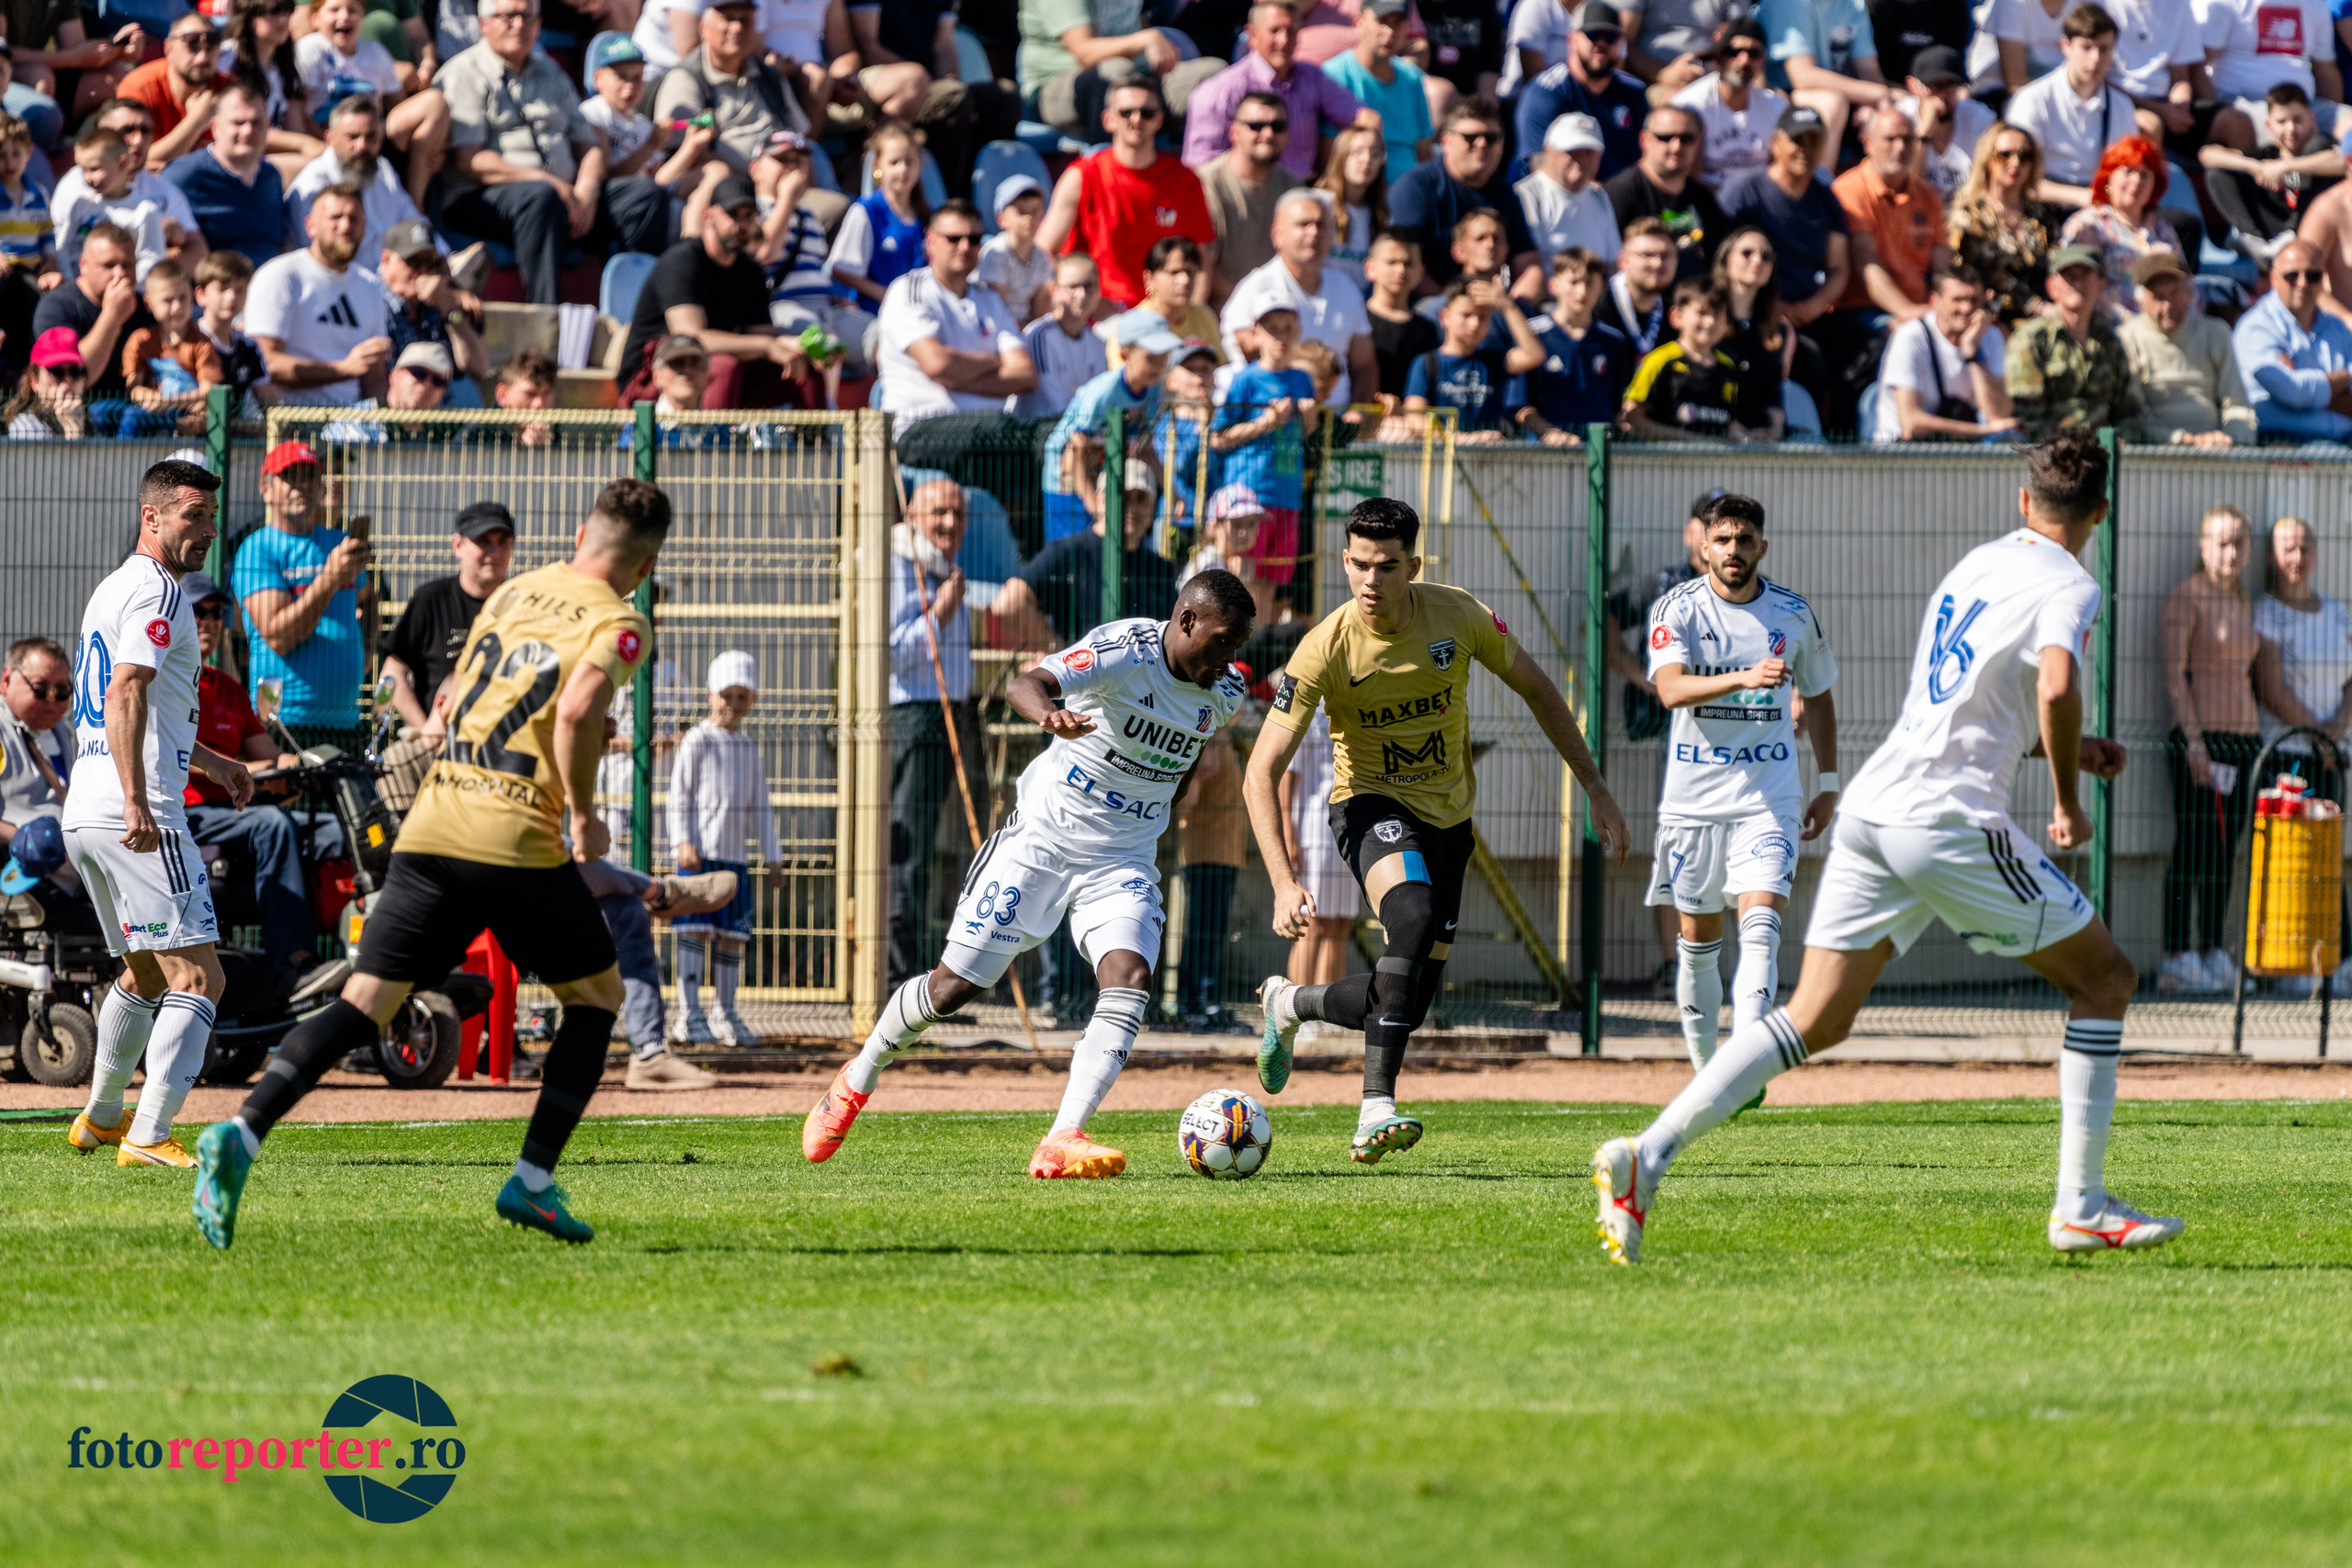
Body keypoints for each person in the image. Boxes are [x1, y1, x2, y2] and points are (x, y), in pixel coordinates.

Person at [1593, 434, 2179, 1265]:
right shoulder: (2074, 585)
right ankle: (2080, 1206)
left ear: (2023, 502)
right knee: (2107, 979)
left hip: (1877, 806)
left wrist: (2070, 748)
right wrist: (2066, 801)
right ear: (2103, 514)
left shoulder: (1978, 565)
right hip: (1950, 819)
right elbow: (2054, 684)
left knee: (1816, 1018)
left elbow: (1975, 704)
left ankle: (1645, 1156)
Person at [193, 479, 672, 1249]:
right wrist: (584, 816)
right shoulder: (621, 621)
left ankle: (241, 1132)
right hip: (513, 833)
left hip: (434, 817)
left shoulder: (514, 592)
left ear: (582, 534)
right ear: (645, 566)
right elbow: (578, 710)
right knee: (597, 996)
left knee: (365, 999)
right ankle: (533, 1181)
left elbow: (453, 701)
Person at [806, 570, 1256, 1177]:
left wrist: (1157, 817)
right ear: (1187, 621)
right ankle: (858, 1077)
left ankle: (1063, 1134)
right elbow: (1028, 682)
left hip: (1121, 860)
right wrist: (1050, 717)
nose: (1229, 659)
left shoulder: (1223, 691)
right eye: (1223, 641)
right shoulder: (1125, 651)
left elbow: (1189, 752)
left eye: (1238, 646)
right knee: (952, 988)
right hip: (1041, 841)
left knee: (1130, 976)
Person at [1249, 496, 1627, 1162]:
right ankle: (1375, 1108)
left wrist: (1596, 788)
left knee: (1409, 1000)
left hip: (1449, 821)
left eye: (1387, 566)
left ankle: (1291, 1003)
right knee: (1414, 916)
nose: (1371, 580)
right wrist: (1283, 881)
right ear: (1344, 561)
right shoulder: (1323, 648)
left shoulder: (1460, 616)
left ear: (1414, 566)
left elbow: (1540, 691)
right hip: (1368, 806)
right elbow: (1261, 771)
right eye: (1359, 565)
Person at [62, 460, 251, 1171]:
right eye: (192, 514)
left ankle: (103, 1116)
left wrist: (215, 762)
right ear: (153, 516)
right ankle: (149, 1133)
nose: (207, 529)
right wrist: (139, 797)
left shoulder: (113, 585)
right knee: (200, 979)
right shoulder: (159, 588)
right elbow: (125, 692)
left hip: (87, 811)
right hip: (138, 814)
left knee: (144, 972)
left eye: (211, 516)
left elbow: (149, 706)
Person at [1641, 491, 1837, 1070]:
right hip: (1693, 803)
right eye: (1722, 539)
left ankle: (1743, 1065)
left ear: (1762, 547)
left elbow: (1820, 697)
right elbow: (1670, 689)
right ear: (1704, 547)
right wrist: (1743, 678)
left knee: (1761, 926)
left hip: (1767, 797)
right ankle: (1707, 1069)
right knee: (1699, 945)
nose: (1733, 550)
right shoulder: (1675, 608)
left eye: (1744, 540)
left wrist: (1829, 782)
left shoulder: (1792, 614)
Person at [436, 0, 668, 304]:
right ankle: (547, 315)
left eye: (527, 16)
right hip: (484, 198)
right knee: (541, 198)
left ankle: (639, 306)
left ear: (539, 25)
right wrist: (550, 183)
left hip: (564, 200)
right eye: (509, 16)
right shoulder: (464, 72)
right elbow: (471, 160)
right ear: (484, 24)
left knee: (644, 195)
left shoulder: (551, 72)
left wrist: (586, 191)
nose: (519, 24)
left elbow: (588, 144)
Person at [177, 569, 320, 988]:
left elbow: (272, 757)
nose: (209, 620)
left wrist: (297, 766)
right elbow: (170, 753)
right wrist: (258, 771)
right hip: (188, 813)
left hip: (234, 807)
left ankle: (366, 959)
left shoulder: (228, 688)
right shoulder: (166, 682)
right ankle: (293, 964)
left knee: (333, 831)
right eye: (198, 610)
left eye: (217, 612)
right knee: (273, 824)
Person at [2157, 504, 2259, 997]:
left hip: (2244, 743)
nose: (2231, 552)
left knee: (2224, 852)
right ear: (2203, 547)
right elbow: (2175, 675)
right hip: (2202, 742)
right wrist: (2194, 742)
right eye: (2222, 542)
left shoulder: (2242, 600)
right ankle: (2178, 955)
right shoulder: (2187, 597)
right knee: (2193, 847)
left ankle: (2215, 949)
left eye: (2239, 542)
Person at [2252, 515, 2352, 996]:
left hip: (2334, 754)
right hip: (2289, 753)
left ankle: (2338, 958)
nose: (2297, 557)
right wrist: (2316, 735)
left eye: (2304, 547)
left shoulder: (2337, 612)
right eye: (2287, 548)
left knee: (2328, 856)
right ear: (2273, 556)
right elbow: (2270, 685)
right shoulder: (2267, 612)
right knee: (2292, 857)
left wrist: (2335, 733)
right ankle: (2290, 963)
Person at [621, 173, 820, 410]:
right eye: (732, 214)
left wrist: (806, 346)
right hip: (654, 377)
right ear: (709, 215)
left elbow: (764, 334)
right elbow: (692, 339)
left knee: (804, 367)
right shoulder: (681, 261)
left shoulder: (750, 270)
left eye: (748, 215)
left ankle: (818, 434)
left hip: (710, 374)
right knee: (724, 367)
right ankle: (712, 436)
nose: (741, 224)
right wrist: (768, 346)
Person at [667, 649, 775, 1046]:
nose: (734, 704)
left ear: (753, 700)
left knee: (732, 936)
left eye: (743, 696)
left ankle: (724, 1012)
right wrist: (682, 840)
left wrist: (773, 855)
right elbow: (679, 794)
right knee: (694, 932)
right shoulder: (697, 739)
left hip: (734, 860)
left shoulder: (748, 749)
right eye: (727, 695)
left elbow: (760, 806)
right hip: (698, 856)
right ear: (712, 695)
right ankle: (689, 1014)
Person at [1036, 77, 1216, 310]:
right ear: (1108, 119)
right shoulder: (1081, 177)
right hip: (1099, 314)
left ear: (1159, 120)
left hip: (1166, 314)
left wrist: (1191, 315)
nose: (1136, 119)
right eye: (1126, 112)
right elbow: (1043, 251)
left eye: (1147, 113)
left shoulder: (1186, 181)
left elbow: (1202, 261)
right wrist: (1084, 300)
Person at [233, 439, 368, 750]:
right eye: (290, 477)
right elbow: (278, 636)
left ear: (321, 488)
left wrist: (366, 652)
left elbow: (368, 597)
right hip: (285, 722)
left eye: (309, 477)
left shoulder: (340, 542)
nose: (302, 486)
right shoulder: (258, 549)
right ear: (266, 490)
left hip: (346, 720)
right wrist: (331, 578)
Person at [872, 197, 1035, 423]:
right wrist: (991, 361)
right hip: (923, 427)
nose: (965, 247)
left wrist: (956, 380)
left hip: (987, 430)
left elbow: (1024, 374)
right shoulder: (908, 290)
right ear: (930, 241)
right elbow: (937, 363)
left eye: (974, 239)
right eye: (953, 238)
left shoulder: (990, 299)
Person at [1217, 186, 1379, 404]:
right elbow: (1248, 355)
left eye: (1321, 225)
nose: (1314, 232)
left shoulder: (1346, 289)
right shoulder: (1256, 288)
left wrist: (1357, 414)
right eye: (1303, 224)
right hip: (1275, 419)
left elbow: (1365, 366)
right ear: (1277, 235)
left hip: (1336, 421)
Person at [1183, 1, 1374, 176]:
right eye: (1274, 31)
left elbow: (1362, 116)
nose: (1283, 40)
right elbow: (1200, 170)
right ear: (1252, 35)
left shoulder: (1312, 77)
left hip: (1302, 191)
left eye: (1291, 31)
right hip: (1243, 193)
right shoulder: (1220, 93)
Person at [292, 0, 447, 209]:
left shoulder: (375, 52)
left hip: (371, 138)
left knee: (434, 102)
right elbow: (299, 109)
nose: (344, 17)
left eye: (352, 11)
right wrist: (322, 142)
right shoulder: (310, 49)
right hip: (326, 139)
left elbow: (397, 105)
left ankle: (415, 205)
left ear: (362, 17)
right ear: (315, 18)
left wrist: (430, 148)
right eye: (334, 10)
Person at [244, 180, 387, 406]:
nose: (345, 226)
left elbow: (373, 377)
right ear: (310, 226)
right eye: (335, 217)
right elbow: (263, 364)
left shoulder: (370, 285)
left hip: (352, 419)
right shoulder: (281, 275)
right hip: (287, 417)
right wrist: (343, 369)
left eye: (354, 218)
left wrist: (385, 420)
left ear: (364, 226)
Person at [381, 500, 513, 737]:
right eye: (483, 542)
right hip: (438, 743)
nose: (494, 552)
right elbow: (392, 673)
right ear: (458, 546)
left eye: (503, 542)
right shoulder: (431, 599)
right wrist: (426, 735)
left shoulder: (522, 603)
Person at [1041, 310, 1175, 540]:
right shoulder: (1103, 393)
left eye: (1164, 356)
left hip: (1105, 481)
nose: (1159, 365)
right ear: (1125, 355)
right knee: (1074, 550)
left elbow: (1145, 448)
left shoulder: (1153, 390)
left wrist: (1173, 495)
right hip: (1067, 483)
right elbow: (1073, 453)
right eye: (1150, 357)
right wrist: (1094, 506)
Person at [1721, 107, 1848, 339]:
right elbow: (1718, 256)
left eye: (1814, 141)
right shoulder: (1744, 192)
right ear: (1775, 144)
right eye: (1797, 140)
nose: (1805, 149)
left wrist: (1812, 307)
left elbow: (1838, 267)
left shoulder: (1827, 198)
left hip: (1808, 315)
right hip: (1749, 313)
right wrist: (1771, 306)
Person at [1017, 0, 1227, 141]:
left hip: (1138, 78)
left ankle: (1198, 176)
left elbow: (1130, 22)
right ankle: (1111, 174)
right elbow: (1084, 51)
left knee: (1215, 76)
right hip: (1058, 89)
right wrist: (1146, 39)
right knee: (1117, 72)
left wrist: (1154, 46)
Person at [1389, 96, 1540, 291]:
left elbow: (1529, 264)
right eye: (1470, 137)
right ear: (1446, 142)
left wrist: (1512, 306)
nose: (1482, 144)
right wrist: (1450, 305)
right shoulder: (1415, 187)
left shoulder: (1506, 193)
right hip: (1427, 301)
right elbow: (1401, 260)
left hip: (1490, 301)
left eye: (1491, 138)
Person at [1214, 299, 1317, 574]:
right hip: (1247, 496)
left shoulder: (1303, 380)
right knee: (1242, 574)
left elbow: (1304, 436)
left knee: (1274, 577)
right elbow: (1218, 437)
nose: (1280, 337)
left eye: (1287, 328)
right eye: (1272, 329)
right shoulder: (1244, 380)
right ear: (1256, 334)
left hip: (1288, 494)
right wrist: (1265, 423)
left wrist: (1310, 422)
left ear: (1298, 332)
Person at [1999, 5, 2135, 209]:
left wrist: (2103, 196)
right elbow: (2021, 180)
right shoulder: (2032, 99)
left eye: (2104, 49)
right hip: (2041, 206)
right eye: (2086, 47)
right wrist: (2082, 196)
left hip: (2097, 204)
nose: (2095, 58)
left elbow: (2123, 174)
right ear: (2066, 46)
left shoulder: (2122, 106)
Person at [2005, 241, 2139, 440]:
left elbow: (2128, 408)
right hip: (2051, 448)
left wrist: (2123, 439)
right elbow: (2026, 417)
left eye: (2085, 274)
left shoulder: (2108, 339)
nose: (2077, 283)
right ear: (2051, 287)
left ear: (2101, 285)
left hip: (2102, 449)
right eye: (2069, 276)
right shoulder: (2032, 339)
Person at [2115, 253, 2249, 449]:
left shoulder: (2216, 333)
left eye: (2175, 293)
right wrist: (2185, 440)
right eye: (2158, 297)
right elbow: (2134, 416)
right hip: (2154, 451)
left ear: (2190, 293)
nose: (2168, 306)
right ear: (2141, 301)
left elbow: (2237, 404)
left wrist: (2236, 441)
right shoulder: (2126, 339)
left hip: (2217, 448)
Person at [285, 92, 427, 275]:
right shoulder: (311, 188)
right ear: (330, 138)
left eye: (371, 137)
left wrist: (441, 257)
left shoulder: (382, 170)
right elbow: (324, 265)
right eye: (353, 137)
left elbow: (414, 223)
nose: (362, 146)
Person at [1872, 261, 2016, 440]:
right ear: (1935, 301)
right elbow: (1911, 425)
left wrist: (1972, 352)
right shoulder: (1911, 336)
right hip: (1902, 449)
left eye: (1974, 300)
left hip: (1960, 445)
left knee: (2009, 437)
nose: (1967, 308)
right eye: (1958, 300)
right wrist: (1981, 430)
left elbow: (2000, 415)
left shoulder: (1989, 335)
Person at [2200, 82, 2346, 255]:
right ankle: (2253, 240)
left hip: (2313, 229)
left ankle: (2292, 235)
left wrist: (2284, 167)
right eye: (2282, 121)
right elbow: (2207, 154)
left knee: (2317, 147)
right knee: (2218, 172)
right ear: (2269, 125)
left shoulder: (2324, 146)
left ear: (2311, 118)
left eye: (2298, 120)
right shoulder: (2267, 155)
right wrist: (2257, 167)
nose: (2291, 128)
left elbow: (2342, 161)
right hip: (2274, 234)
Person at [2233, 239, 2352, 445]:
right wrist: (2346, 378)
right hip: (2284, 441)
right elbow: (2293, 392)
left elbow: (2299, 392)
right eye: (2292, 275)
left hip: (2343, 439)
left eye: (2313, 276)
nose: (2303, 283)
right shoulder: (2256, 326)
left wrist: (2308, 389)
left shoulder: (2337, 328)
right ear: (2274, 278)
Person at [1835, 104, 1945, 325]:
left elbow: (1943, 265)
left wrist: (1948, 308)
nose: (1900, 147)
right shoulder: (1849, 189)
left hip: (1921, 309)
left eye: (1908, 139)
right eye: (1890, 139)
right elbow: (1866, 262)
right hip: (1864, 310)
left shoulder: (1929, 196)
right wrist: (1908, 312)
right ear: (1867, 143)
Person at [1509, 243, 1629, 441]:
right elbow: (1521, 407)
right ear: (1554, 285)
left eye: (1590, 283)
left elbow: (1619, 409)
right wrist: (1552, 435)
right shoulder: (1532, 335)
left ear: (1601, 286)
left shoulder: (1613, 341)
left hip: (1598, 450)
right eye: (1574, 282)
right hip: (1545, 452)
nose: (1582, 291)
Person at [1510, 3, 1646, 178]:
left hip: (1623, 191)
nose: (1601, 44)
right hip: (1561, 190)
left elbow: (1648, 157)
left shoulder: (1634, 91)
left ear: (1621, 42)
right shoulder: (1546, 91)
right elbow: (1536, 161)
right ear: (1572, 39)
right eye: (1592, 34)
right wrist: (1592, 192)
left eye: (1610, 37)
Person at [1400, 275, 1544, 435]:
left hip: (1488, 449)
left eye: (1482, 317)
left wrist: (1508, 306)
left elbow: (1534, 354)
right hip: (1445, 449)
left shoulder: (1491, 361)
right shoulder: (1427, 363)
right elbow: (1415, 418)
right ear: (1445, 317)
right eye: (1466, 315)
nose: (1475, 324)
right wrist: (1461, 439)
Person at [2055, 134, 2178, 321]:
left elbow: (2184, 286)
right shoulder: (2089, 226)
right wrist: (2133, 325)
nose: (2137, 180)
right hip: (2108, 329)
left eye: (2145, 174)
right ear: (2108, 179)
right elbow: (2078, 289)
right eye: (2129, 171)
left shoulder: (2163, 230)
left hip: (2163, 327)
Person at [1947, 120, 2058, 327]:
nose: (2016, 162)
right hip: (1992, 319)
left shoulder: (2041, 215)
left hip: (2046, 316)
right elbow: (1988, 276)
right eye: (2005, 154)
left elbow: (2055, 264)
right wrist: (2039, 307)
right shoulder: (1969, 215)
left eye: (2025, 156)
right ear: (1988, 159)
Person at [1200, 88, 1303, 304]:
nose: (1268, 134)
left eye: (1278, 126)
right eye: (1256, 126)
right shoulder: (1206, 184)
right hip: (1223, 308)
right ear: (1234, 132)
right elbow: (1202, 265)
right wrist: (1251, 302)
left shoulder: (1294, 189)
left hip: (1284, 308)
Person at [1278, 706, 1353, 999]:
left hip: (1352, 830)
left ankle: (1326, 1010)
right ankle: (1298, 1008)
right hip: (1315, 830)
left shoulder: (1355, 699)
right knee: (1314, 922)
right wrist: (1288, 836)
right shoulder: (1307, 707)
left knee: (1341, 923)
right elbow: (1287, 775)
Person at [164, 82, 283, 267]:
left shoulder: (271, 177)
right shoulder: (183, 176)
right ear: (215, 127)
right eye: (238, 123)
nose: (248, 130)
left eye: (256, 122)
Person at [31, 222, 152, 401]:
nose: (120, 274)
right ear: (83, 264)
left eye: (127, 265)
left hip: (130, 410)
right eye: (108, 265)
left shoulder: (143, 307)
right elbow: (76, 377)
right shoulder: (56, 306)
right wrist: (112, 317)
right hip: (74, 407)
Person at [1623, 276, 1754, 438]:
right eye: (1702, 313)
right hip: (1665, 454)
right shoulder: (1659, 361)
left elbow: (1729, 421)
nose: (1710, 322)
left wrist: (1748, 438)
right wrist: (1685, 440)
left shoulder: (1728, 367)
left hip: (1714, 455)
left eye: (1718, 314)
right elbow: (1632, 417)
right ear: (1677, 316)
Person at [1603, 103, 1724, 277]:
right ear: (1644, 140)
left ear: (1698, 143)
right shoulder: (1619, 194)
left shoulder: (1703, 198)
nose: (1676, 147)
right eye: (1665, 137)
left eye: (1686, 138)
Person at [1668, 17, 1789, 191]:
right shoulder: (1689, 106)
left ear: (1763, 61)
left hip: (1759, 200)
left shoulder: (1776, 107)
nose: (1744, 60)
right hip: (1704, 198)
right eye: (1734, 52)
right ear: (1719, 58)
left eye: (1754, 53)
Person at [1322, 0, 1432, 186]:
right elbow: (1328, 158)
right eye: (1382, 21)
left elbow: (1424, 152)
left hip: (1410, 189)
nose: (1389, 32)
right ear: (1359, 22)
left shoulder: (1412, 77)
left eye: (1398, 23)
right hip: (1360, 191)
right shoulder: (1333, 76)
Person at [825, 118, 929, 314]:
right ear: (877, 167)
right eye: (894, 162)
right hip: (876, 313)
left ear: (920, 164)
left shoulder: (927, 217)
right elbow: (841, 268)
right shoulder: (866, 211)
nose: (903, 169)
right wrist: (887, 296)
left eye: (909, 162)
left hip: (921, 312)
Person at [1758, 0, 1890, 154]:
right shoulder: (1789, 3)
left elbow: (1869, 70)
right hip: (1783, 94)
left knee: (1906, 103)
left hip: (1846, 94)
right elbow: (1803, 76)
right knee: (1833, 103)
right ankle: (1821, 171)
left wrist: (1868, 103)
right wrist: (1876, 94)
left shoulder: (1854, 4)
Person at [2202, 0, 2341, 142]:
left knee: (2348, 125)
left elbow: (2327, 74)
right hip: (2241, 106)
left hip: (2305, 106)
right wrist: (2213, 112)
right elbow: (2199, 66)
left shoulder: (2315, 5)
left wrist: (2327, 120)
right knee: (2279, 129)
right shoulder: (2225, 3)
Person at [120, 256, 221, 434]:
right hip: (152, 411)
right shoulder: (141, 340)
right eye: (167, 300)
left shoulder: (201, 343)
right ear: (148, 304)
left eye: (183, 298)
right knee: (118, 414)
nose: (177, 307)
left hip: (188, 412)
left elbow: (208, 391)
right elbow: (133, 388)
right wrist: (153, 398)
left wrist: (169, 402)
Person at [377, 217, 486, 379]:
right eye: (413, 261)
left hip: (438, 394)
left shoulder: (437, 300)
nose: (423, 270)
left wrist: (450, 311)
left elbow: (478, 369)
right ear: (386, 259)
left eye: (430, 262)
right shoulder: (370, 298)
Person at [120, 14, 234, 169]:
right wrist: (196, 121)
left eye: (211, 47)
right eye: (191, 46)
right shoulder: (139, 88)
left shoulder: (230, 89)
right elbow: (130, 163)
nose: (202, 58)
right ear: (168, 49)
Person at [54, 125, 166, 283]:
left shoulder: (144, 212)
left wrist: (123, 285)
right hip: (77, 288)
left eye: (94, 169)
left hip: (120, 290)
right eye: (83, 170)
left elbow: (151, 260)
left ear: (123, 164)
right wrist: (70, 281)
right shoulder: (81, 204)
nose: (87, 177)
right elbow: (63, 248)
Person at [1515, 111, 1619, 266]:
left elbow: (1613, 263)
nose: (1581, 159)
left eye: (1589, 152)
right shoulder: (1525, 195)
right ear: (1548, 151)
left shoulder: (1600, 197)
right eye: (1572, 151)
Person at [1104, 235, 1223, 367]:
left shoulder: (1204, 316)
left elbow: (1220, 367)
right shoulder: (1131, 327)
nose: (1185, 280)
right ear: (1149, 279)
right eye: (1174, 272)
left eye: (1190, 272)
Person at [1894, 43, 1991, 202]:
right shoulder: (1902, 116)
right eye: (1935, 86)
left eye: (1951, 85)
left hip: (1965, 210)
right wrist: (1924, 132)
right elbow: (1906, 188)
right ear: (1912, 85)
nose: (1943, 95)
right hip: (1917, 211)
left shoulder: (1978, 116)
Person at [1016, 253, 1104, 415]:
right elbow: (1052, 404)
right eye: (1073, 286)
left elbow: (1100, 402)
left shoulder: (1098, 343)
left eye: (1089, 286)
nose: (1082, 294)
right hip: (1038, 428)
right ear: (1054, 291)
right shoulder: (1039, 336)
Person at [194, 247, 271, 414]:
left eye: (239, 290)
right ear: (201, 295)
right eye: (222, 289)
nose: (231, 297)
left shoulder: (249, 347)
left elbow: (268, 400)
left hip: (238, 429)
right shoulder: (190, 341)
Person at [1314, 123, 1386, 288]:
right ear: (1340, 156)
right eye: (1357, 152)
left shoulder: (1381, 214)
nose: (1366, 159)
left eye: (1375, 153)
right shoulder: (1318, 203)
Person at [974, 172, 1052, 322]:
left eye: (1035, 211)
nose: (1029, 218)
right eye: (1021, 211)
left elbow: (1039, 310)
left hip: (1024, 328)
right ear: (1001, 219)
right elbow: (996, 311)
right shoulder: (996, 253)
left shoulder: (1041, 256)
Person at [1597, 213, 1676, 354]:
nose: (1657, 263)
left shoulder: (1676, 320)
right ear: (1623, 261)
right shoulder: (1595, 312)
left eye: (1665, 255)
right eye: (1647, 255)